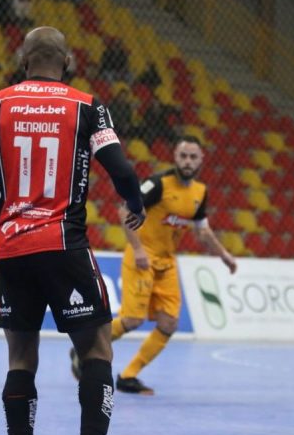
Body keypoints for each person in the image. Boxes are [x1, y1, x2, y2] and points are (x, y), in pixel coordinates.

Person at [0, 26, 145, 435]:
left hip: (12, 248)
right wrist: (135, 202)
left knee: (21, 359)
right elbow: (121, 169)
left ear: (23, 61)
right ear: (68, 62)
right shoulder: (87, 106)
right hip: (64, 246)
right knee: (97, 348)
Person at [70, 136, 237, 395]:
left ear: (201, 160)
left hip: (167, 264)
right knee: (132, 320)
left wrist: (224, 256)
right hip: (142, 258)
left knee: (169, 324)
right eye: (183, 156)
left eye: (193, 157)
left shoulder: (199, 193)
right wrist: (137, 248)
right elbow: (125, 210)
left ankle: (128, 376)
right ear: (175, 157)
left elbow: (203, 231)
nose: (188, 161)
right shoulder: (158, 184)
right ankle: (82, 347)